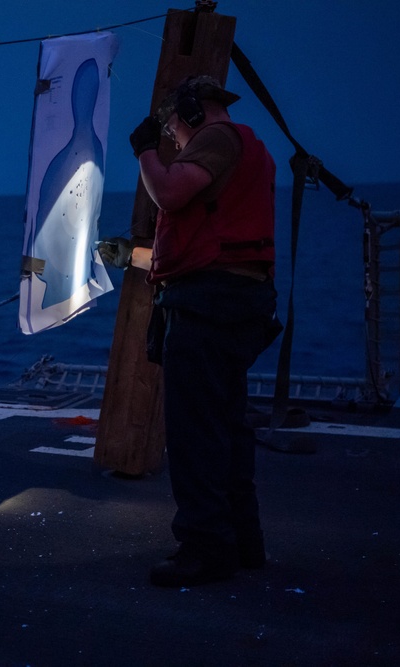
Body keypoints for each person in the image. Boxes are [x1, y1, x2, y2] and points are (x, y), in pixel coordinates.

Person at [99, 75, 281, 588]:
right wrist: (135, 257)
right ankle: (244, 540)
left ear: (190, 112)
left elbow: (172, 194)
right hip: (237, 300)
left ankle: (204, 548)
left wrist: (144, 153)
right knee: (226, 425)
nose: (175, 141)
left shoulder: (217, 138)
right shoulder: (251, 149)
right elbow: (211, 232)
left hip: (206, 305)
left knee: (195, 432)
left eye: (173, 130)